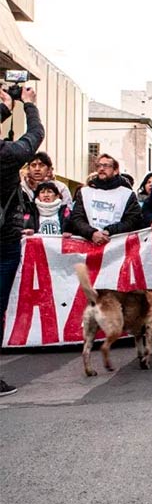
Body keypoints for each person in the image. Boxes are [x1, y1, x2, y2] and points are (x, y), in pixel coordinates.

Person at [0, 84, 44, 397]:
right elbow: (35, 135)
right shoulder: (6, 155)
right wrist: (26, 104)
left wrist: (4, 108)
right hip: (4, 242)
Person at [69, 153, 143, 245]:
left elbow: (133, 220)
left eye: (106, 166)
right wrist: (92, 233)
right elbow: (77, 218)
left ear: (115, 170)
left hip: (116, 246)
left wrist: (109, 231)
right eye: (99, 165)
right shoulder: (85, 192)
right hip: (88, 244)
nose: (101, 169)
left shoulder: (127, 194)